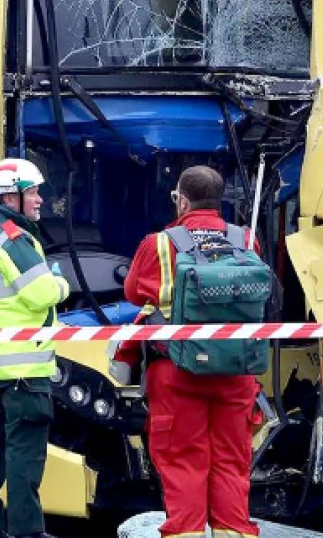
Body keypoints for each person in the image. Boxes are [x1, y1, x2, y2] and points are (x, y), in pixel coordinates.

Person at [115, 165, 260, 538]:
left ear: (181, 199)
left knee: (184, 463)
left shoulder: (160, 244)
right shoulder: (246, 240)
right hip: (236, 369)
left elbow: (133, 293)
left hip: (176, 370)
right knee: (231, 462)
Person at [0, 158, 70, 538]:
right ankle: (27, 531)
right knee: (25, 452)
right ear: (11, 195)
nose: (39, 199)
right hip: (25, 369)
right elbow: (41, 294)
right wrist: (60, 283)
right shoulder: (14, 238)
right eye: (33, 192)